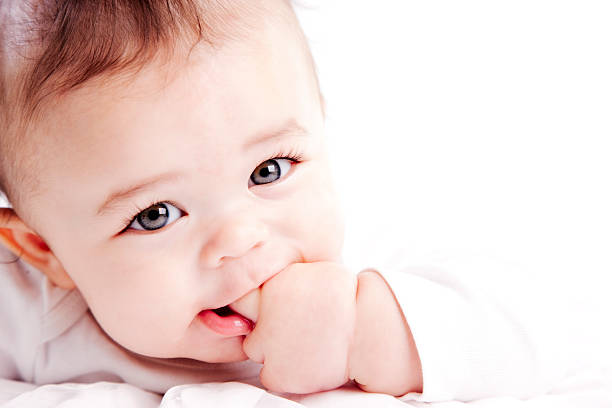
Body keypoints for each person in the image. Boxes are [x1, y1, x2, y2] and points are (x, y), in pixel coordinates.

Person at [0, 0, 605, 404]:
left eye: (270, 170)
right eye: (155, 215)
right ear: (44, 248)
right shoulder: (32, 310)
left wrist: (376, 329)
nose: (241, 239)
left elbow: (563, 323)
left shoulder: (373, 258)